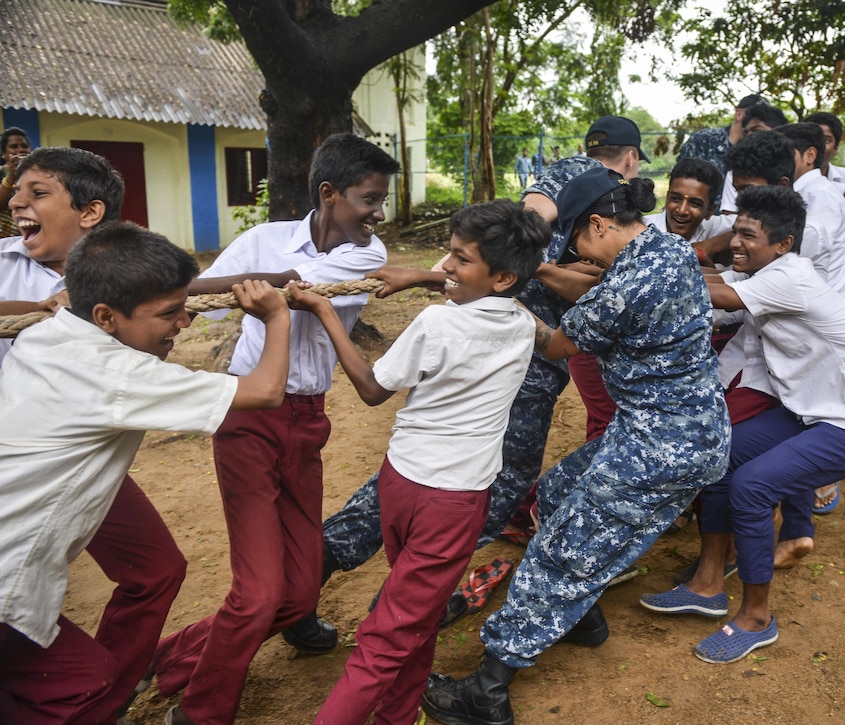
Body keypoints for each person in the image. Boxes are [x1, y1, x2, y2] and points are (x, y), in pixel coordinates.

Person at [281, 116, 650, 654]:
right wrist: (534, 270)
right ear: (633, 161)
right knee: (486, 487)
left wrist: (427, 275)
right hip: (511, 364)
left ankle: (318, 579)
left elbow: (503, 254)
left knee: (418, 482)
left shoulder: (570, 181)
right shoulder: (595, 196)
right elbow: (516, 244)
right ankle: (399, 602)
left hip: (517, 351)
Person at [421, 167, 730, 725]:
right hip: (682, 427)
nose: (581, 260)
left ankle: (488, 691)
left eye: (579, 248)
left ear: (598, 223)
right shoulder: (669, 249)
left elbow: (558, 343)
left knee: (559, 552)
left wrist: (500, 301)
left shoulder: (624, 288)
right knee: (558, 492)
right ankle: (580, 618)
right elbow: (589, 286)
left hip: (661, 445)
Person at [152, 133, 399, 725]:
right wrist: (267, 277)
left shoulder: (367, 254)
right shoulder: (263, 239)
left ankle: (170, 657)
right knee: (261, 592)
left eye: (382, 199)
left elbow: (299, 286)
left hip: (307, 420)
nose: (379, 213)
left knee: (298, 580)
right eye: (369, 199)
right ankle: (197, 708)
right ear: (329, 193)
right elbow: (199, 300)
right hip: (247, 418)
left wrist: (271, 281)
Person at [0, 222, 290, 724]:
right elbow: (264, 392)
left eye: (183, 307)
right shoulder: (117, 373)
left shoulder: (50, 332)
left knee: (99, 650)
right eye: (168, 314)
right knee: (80, 684)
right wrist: (277, 317)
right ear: (106, 316)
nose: (185, 324)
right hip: (7, 579)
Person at [296, 200, 547, 725]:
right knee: (393, 633)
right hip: (454, 502)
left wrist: (325, 312)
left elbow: (370, 388)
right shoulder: (525, 325)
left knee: (412, 617)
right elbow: (503, 304)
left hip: (400, 483)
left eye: (459, 258)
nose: (445, 268)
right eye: (448, 254)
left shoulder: (437, 322)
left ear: (502, 276)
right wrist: (433, 279)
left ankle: (398, 712)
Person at [640, 184, 845, 663]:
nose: (735, 243)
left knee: (752, 487)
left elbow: (709, 292)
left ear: (783, 244)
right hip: (811, 412)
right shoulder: (768, 271)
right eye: (735, 232)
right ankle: (707, 584)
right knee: (717, 459)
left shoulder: (789, 278)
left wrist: (632, 263)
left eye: (749, 236)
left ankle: (757, 617)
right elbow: (712, 282)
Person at [0, 147, 124, 364]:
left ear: (89, 213)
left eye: (38, 193)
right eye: (15, 192)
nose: (14, 202)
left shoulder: (126, 273)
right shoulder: (3, 260)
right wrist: (40, 308)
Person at [777, 122, 845, 296]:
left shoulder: (821, 195)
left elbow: (807, 252)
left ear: (809, 155)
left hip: (821, 301)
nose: (779, 161)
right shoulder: (802, 190)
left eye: (786, 155)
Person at [678, 93, 766, 207]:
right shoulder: (704, 140)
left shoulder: (759, 152)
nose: (759, 121)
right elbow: (681, 182)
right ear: (738, 114)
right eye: (755, 116)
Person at [804, 111, 845, 190]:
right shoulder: (787, 178)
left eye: (826, 140)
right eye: (811, 138)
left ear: (835, 148)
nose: (817, 145)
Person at [0, 127, 32, 238]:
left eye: (24, 146)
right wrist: (11, 177)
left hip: (28, 233)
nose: (21, 150)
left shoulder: (36, 175)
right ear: (4, 153)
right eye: (13, 146)